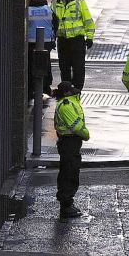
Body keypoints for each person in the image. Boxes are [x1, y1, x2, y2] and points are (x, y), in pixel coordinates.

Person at [53, 81, 88, 221]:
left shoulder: (67, 102)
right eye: (71, 90)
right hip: (69, 141)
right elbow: (76, 126)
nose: (74, 91)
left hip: (69, 142)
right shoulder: (67, 105)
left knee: (70, 171)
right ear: (66, 92)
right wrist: (86, 134)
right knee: (69, 172)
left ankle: (68, 204)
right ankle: (66, 206)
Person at [51, 0, 95, 91]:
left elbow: (88, 21)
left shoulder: (79, 2)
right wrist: (52, 39)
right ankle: (66, 89)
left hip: (77, 41)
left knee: (78, 68)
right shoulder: (55, 3)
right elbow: (52, 23)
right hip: (63, 41)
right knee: (64, 67)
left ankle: (77, 90)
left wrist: (89, 37)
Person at [27, 0, 55, 97]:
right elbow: (55, 23)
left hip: (31, 42)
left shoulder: (28, 11)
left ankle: (31, 90)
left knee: (31, 66)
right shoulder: (48, 9)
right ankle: (46, 87)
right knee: (45, 64)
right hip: (46, 41)